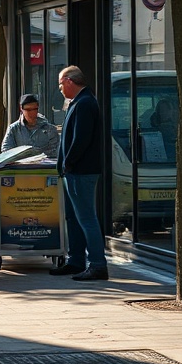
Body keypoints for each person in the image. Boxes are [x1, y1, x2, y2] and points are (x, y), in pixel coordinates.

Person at [50, 66, 108, 281]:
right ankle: (76, 261)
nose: (59, 89)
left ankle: (97, 264)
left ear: (68, 81)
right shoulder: (78, 102)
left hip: (81, 171)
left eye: (59, 84)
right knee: (73, 217)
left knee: (86, 218)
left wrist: (69, 162)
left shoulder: (85, 103)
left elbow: (80, 139)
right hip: (74, 171)